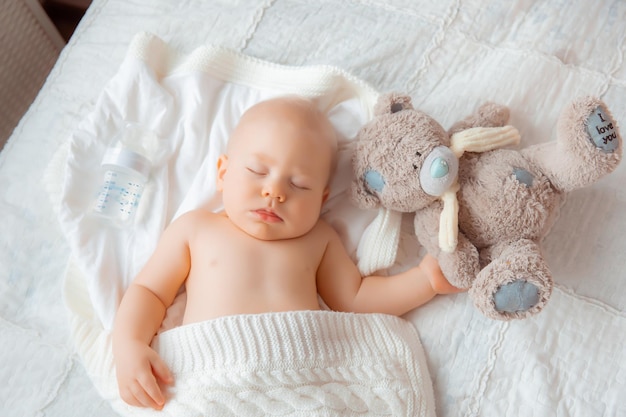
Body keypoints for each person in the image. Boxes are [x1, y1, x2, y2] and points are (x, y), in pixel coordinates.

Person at [112, 96, 461, 410]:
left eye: (299, 185)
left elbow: (356, 299)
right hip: (211, 377)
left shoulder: (318, 240)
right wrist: (128, 344)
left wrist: (423, 280)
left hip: (301, 376)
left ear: (322, 199)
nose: (274, 192)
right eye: (257, 171)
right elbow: (149, 291)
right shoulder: (196, 229)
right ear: (223, 173)